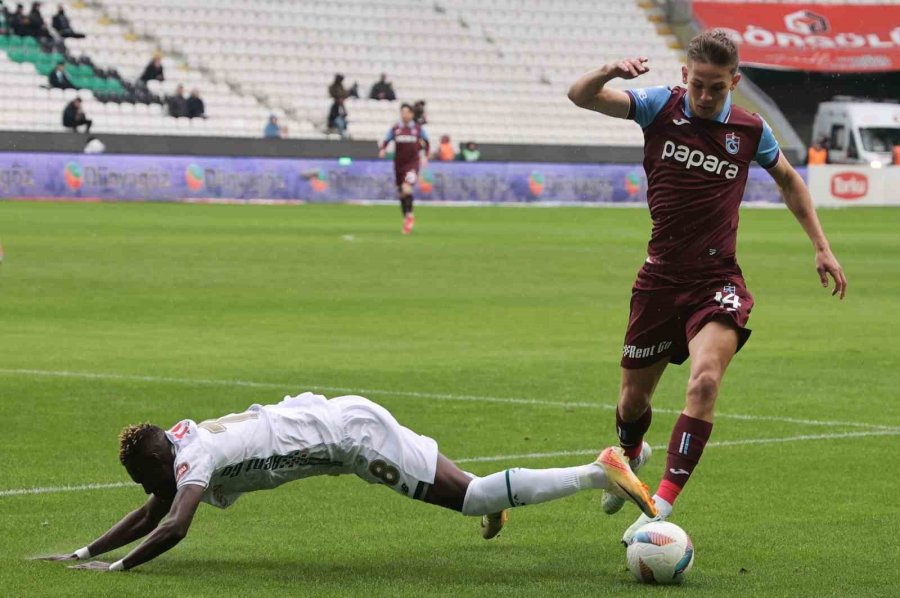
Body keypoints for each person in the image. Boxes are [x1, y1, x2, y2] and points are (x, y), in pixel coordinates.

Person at [567, 29, 847, 545]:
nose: (704, 95)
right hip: (658, 280)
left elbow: (788, 178)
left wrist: (821, 245)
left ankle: (657, 510)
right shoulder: (658, 107)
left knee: (705, 382)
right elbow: (580, 95)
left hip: (717, 281)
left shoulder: (749, 129)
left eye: (716, 87)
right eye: (698, 84)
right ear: (684, 76)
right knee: (632, 404)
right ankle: (631, 456)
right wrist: (611, 69)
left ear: (734, 82)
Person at [33, 392, 656, 572]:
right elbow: (154, 509)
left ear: (156, 462)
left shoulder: (192, 462)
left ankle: (598, 469)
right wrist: (85, 551)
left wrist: (117, 571)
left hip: (352, 441)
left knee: (466, 499)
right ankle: (595, 475)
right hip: (341, 414)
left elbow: (172, 525)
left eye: (147, 476)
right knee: (469, 491)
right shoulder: (183, 440)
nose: (154, 485)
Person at [379, 103, 429, 234]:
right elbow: (386, 140)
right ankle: (407, 216)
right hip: (399, 164)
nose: (404, 115)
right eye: (402, 112)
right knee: (401, 193)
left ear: (412, 114)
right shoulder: (396, 128)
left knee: (407, 188)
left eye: (407, 112)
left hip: (412, 164)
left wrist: (425, 156)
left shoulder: (418, 129)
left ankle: (410, 215)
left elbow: (427, 142)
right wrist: (383, 150)